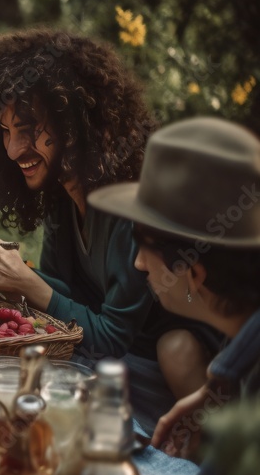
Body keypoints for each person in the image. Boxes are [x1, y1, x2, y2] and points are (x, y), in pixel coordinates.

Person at [0, 28, 220, 429]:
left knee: (177, 348)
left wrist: (27, 283)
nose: (14, 150)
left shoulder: (130, 206)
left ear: (75, 122)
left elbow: (108, 335)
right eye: (5, 131)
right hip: (102, 359)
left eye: (29, 128)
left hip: (154, 362)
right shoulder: (62, 197)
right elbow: (65, 298)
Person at [86, 117, 260, 457]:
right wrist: (217, 384)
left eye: (143, 244)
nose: (137, 264)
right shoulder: (238, 338)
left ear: (193, 272)